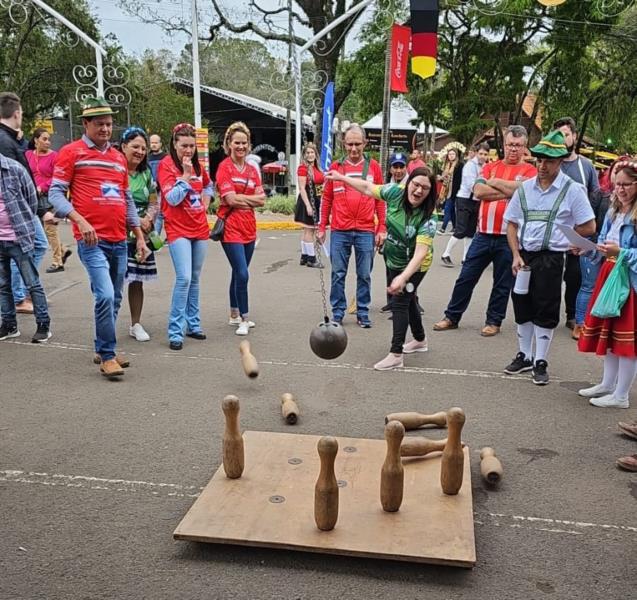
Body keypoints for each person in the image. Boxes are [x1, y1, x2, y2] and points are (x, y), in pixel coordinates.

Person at [49, 97, 149, 378]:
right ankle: (107, 356)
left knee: (114, 297)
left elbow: (127, 199)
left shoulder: (118, 157)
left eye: (108, 124)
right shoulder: (71, 153)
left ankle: (101, 347)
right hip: (91, 240)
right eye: (99, 124)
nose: (105, 129)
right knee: (104, 294)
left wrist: (139, 236)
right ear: (86, 124)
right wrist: (78, 219)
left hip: (120, 240)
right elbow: (55, 193)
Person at [503, 130, 595, 385]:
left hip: (552, 258)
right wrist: (515, 254)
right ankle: (525, 354)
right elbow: (510, 223)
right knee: (521, 303)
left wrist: (570, 239)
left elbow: (589, 226)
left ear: (560, 162)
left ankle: (540, 360)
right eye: (539, 160)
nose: (542, 166)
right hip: (525, 257)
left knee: (546, 306)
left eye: (549, 161)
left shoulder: (572, 190)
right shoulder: (526, 189)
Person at [327, 167, 437, 370]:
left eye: (425, 188)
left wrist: (403, 277)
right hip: (393, 259)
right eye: (416, 184)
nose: (419, 191)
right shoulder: (395, 192)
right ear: (408, 183)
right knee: (408, 299)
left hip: (415, 266)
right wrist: (341, 178)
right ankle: (420, 340)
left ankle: (396, 354)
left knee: (400, 302)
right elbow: (368, 188)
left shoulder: (429, 217)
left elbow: (420, 253)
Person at [433, 125, 537, 337]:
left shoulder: (530, 171)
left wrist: (497, 184)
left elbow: (527, 191)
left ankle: (493, 321)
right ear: (504, 145)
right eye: (510, 145)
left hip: (509, 238)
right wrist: (511, 191)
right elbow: (478, 191)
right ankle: (452, 316)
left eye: (518, 146)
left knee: (502, 283)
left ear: (525, 147)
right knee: (466, 277)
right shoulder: (490, 166)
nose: (513, 149)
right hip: (483, 233)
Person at [577, 160, 637, 408]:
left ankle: (621, 395)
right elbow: (604, 245)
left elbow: (620, 250)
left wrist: (620, 252)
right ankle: (607, 383)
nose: (620, 190)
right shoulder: (614, 210)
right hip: (609, 272)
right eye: (617, 185)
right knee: (610, 333)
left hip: (629, 279)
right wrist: (588, 249)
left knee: (627, 340)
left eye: (626, 185)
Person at [317, 124, 385, 327]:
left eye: (358, 144)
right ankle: (338, 312)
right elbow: (326, 199)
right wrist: (322, 226)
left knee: (364, 274)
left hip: (365, 230)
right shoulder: (335, 168)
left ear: (365, 143)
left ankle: (362, 311)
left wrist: (382, 227)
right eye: (350, 144)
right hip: (340, 230)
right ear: (343, 144)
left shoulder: (373, 167)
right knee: (338, 273)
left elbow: (380, 199)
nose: (354, 149)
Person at [157, 123, 213, 350]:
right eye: (184, 146)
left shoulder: (199, 166)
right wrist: (186, 177)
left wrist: (206, 202)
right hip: (177, 228)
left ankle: (194, 324)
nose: (188, 150)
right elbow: (171, 199)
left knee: (196, 278)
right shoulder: (166, 166)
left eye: (192, 146)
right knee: (184, 278)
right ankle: (175, 331)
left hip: (199, 227)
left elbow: (209, 186)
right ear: (174, 145)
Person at [215, 121, 265, 336]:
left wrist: (241, 199)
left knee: (239, 272)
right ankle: (244, 317)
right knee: (243, 273)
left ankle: (233, 313)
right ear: (229, 143)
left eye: (244, 143)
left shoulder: (253, 170)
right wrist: (247, 199)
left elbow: (262, 199)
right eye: (237, 142)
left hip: (249, 228)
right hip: (231, 228)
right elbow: (230, 199)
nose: (241, 147)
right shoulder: (224, 167)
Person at [0, 92, 48, 314]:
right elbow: (16, 176)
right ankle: (20, 296)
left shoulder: (9, 138)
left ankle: (18, 295)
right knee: (34, 246)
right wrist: (38, 208)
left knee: (25, 248)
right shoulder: (5, 141)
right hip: (17, 208)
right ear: (17, 113)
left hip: (16, 206)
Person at [553, 117, 600, 332]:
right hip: (554, 230)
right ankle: (548, 313)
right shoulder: (552, 164)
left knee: (575, 276)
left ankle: (572, 315)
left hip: (579, 231)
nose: (562, 139)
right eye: (558, 135)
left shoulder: (586, 166)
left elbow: (596, 195)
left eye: (566, 134)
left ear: (573, 136)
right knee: (551, 274)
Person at [0, 152, 51, 342]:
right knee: (3, 285)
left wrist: (24, 227)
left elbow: (32, 201)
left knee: (32, 283)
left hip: (18, 238)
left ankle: (43, 324)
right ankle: (9, 325)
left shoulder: (14, 169)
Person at [119, 127, 158, 342]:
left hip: (141, 235)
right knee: (114, 281)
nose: (140, 151)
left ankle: (135, 324)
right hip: (118, 232)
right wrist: (135, 220)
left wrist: (149, 219)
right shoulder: (116, 170)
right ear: (123, 146)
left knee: (137, 281)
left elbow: (154, 201)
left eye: (143, 148)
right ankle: (106, 324)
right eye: (135, 146)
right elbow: (115, 202)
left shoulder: (146, 173)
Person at [26, 128, 71, 274]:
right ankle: (62, 250)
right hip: (32, 196)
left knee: (50, 229)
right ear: (35, 140)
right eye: (44, 139)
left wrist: (42, 187)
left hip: (49, 196)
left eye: (48, 139)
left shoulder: (54, 156)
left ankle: (58, 262)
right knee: (43, 231)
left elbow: (56, 177)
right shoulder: (28, 155)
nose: (48, 142)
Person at [440, 143, 490, 267]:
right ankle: (446, 253)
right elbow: (470, 184)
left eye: (485, 154)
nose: (483, 156)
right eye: (481, 153)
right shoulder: (469, 166)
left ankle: (465, 257)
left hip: (476, 200)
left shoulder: (485, 166)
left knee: (471, 231)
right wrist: (484, 190)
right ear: (476, 153)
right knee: (461, 229)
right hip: (464, 199)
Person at [294, 142, 324, 268]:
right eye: (308, 153)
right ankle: (311, 258)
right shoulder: (303, 168)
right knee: (310, 230)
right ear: (304, 155)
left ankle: (304, 256)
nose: (310, 155)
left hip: (316, 199)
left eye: (312, 152)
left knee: (307, 229)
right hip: (308, 200)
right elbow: (302, 188)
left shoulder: (317, 168)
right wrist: (307, 205)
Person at [437, 148, 463, 235]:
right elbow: (444, 178)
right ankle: (455, 227)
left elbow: (460, 180)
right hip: (447, 190)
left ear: (456, 155)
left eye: (453, 154)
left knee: (447, 209)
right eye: (449, 154)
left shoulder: (459, 165)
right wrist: (441, 178)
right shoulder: (447, 165)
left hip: (455, 190)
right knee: (451, 210)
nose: (451, 156)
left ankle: (443, 228)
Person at [148, 134, 166, 236]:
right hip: (152, 190)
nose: (153, 145)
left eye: (156, 142)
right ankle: (154, 238)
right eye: (152, 143)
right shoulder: (147, 158)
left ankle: (158, 238)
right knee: (154, 212)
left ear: (160, 144)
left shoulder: (165, 157)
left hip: (163, 190)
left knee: (162, 213)